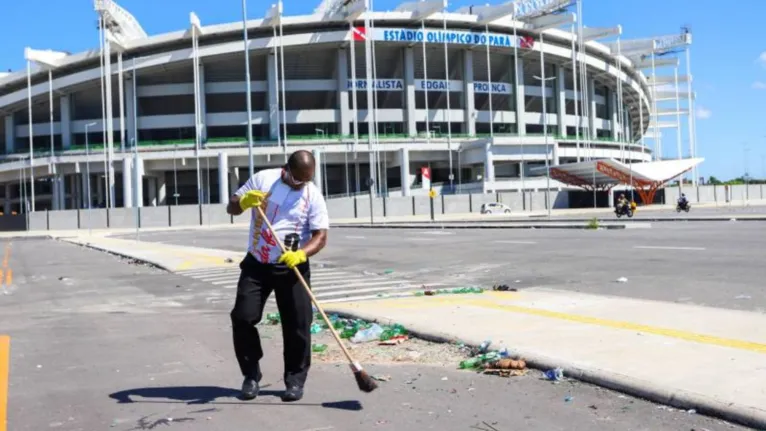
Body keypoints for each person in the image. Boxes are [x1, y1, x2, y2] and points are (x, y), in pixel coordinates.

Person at [226, 150, 329, 402]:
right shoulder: (263, 180)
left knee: (298, 325)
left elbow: (320, 236)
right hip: (257, 262)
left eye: (306, 180)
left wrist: (302, 254)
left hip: (291, 265)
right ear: (286, 169)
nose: (300, 184)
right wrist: (243, 202)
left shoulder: (312, 195)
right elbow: (232, 206)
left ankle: (295, 380)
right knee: (242, 317)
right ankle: (251, 375)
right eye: (297, 179)